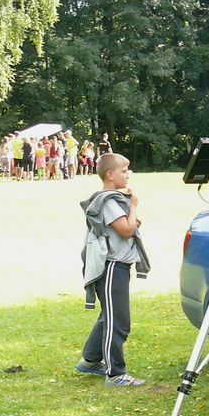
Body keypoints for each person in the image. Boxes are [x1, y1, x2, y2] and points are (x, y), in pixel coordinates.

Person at [77, 153, 151, 387]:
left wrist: (130, 214)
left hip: (118, 266)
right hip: (111, 267)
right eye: (123, 170)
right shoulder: (108, 201)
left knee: (108, 315)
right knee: (117, 321)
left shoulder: (114, 199)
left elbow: (129, 225)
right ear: (110, 174)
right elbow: (127, 230)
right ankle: (115, 374)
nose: (128, 174)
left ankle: (90, 360)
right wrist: (133, 206)